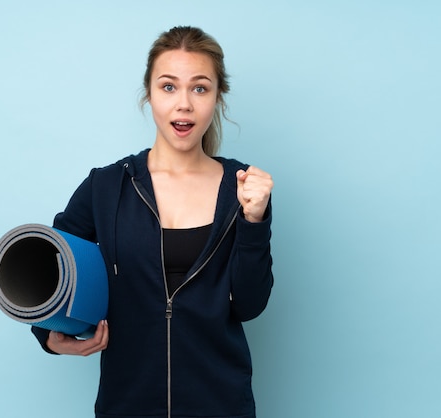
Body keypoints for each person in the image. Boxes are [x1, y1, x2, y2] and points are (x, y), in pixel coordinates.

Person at [31, 26, 274, 418]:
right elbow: (50, 268)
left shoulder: (244, 187)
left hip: (222, 404)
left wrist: (255, 219)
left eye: (199, 88)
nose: (184, 105)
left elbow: (249, 304)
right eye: (168, 87)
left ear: (217, 97)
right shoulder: (106, 186)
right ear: (149, 94)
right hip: (127, 403)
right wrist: (48, 336)